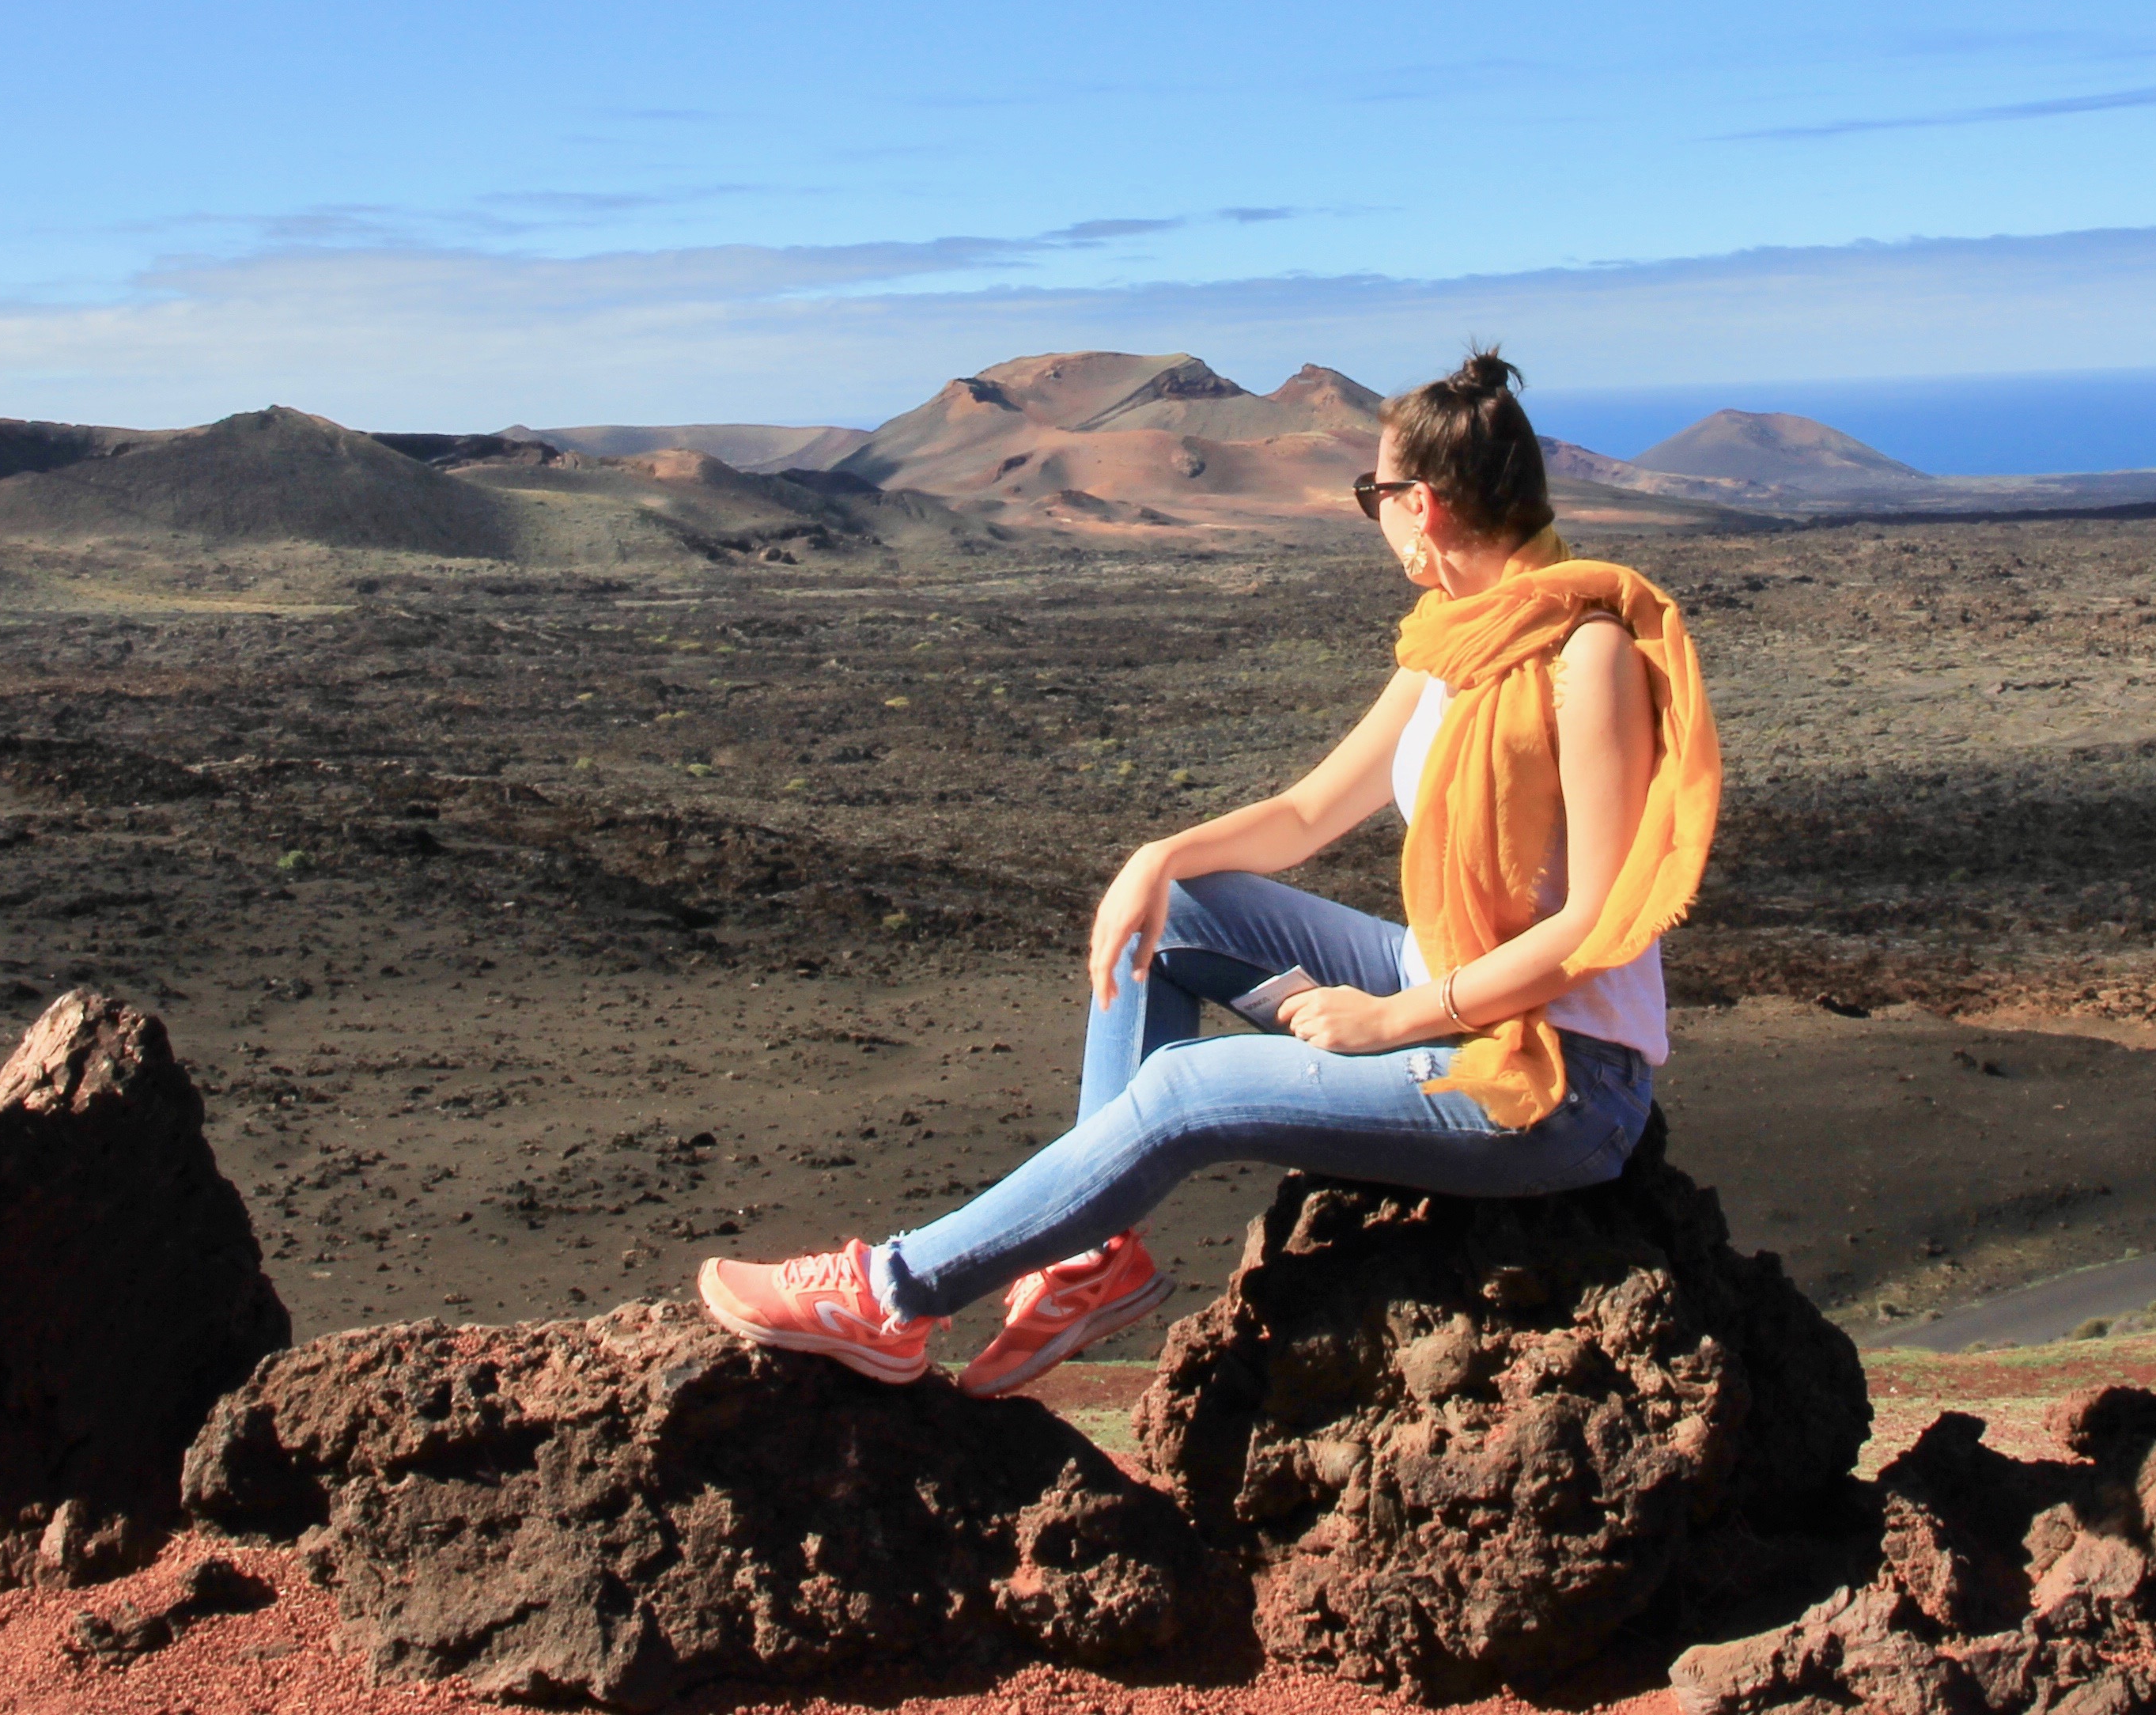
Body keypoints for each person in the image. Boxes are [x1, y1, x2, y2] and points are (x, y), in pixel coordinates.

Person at [698, 346, 1722, 1395]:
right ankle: (1086, 1265)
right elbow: (1309, 812)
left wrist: (1391, 1022)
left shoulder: (1581, 653)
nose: (1370, 513)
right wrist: (1160, 857)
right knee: (1174, 912)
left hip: (1560, 1080)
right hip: (1446, 992)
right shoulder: (1454, 649)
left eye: (1375, 492)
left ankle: (887, 1297)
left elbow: (1595, 920)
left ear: (1426, 505)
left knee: (1189, 1090)